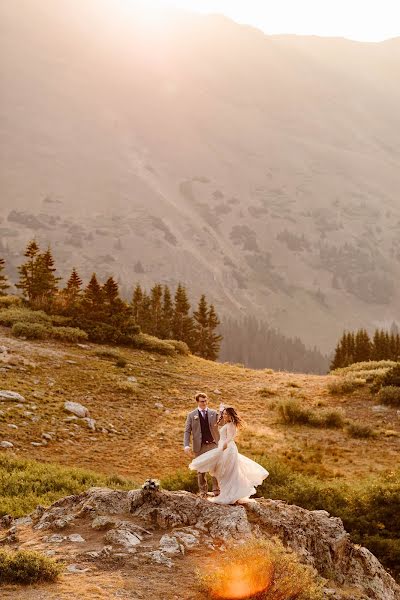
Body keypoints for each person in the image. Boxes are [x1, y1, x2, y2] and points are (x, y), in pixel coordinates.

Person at [189, 407, 268, 504]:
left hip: (227, 449)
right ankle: (227, 492)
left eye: (226, 414)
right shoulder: (228, 424)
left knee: (227, 471)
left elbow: (230, 437)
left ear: (231, 415)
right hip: (225, 447)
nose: (224, 416)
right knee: (224, 471)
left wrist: (224, 445)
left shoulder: (231, 425)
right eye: (224, 414)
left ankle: (229, 494)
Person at [183, 392, 221, 498]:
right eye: (201, 401)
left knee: (215, 467)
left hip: (213, 444)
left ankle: (216, 490)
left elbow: (221, 423)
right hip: (199, 446)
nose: (204, 403)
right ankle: (203, 491)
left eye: (205, 401)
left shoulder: (214, 413)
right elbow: (187, 431)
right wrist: (186, 445)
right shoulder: (191, 415)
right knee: (201, 469)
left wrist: (222, 413)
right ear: (197, 402)